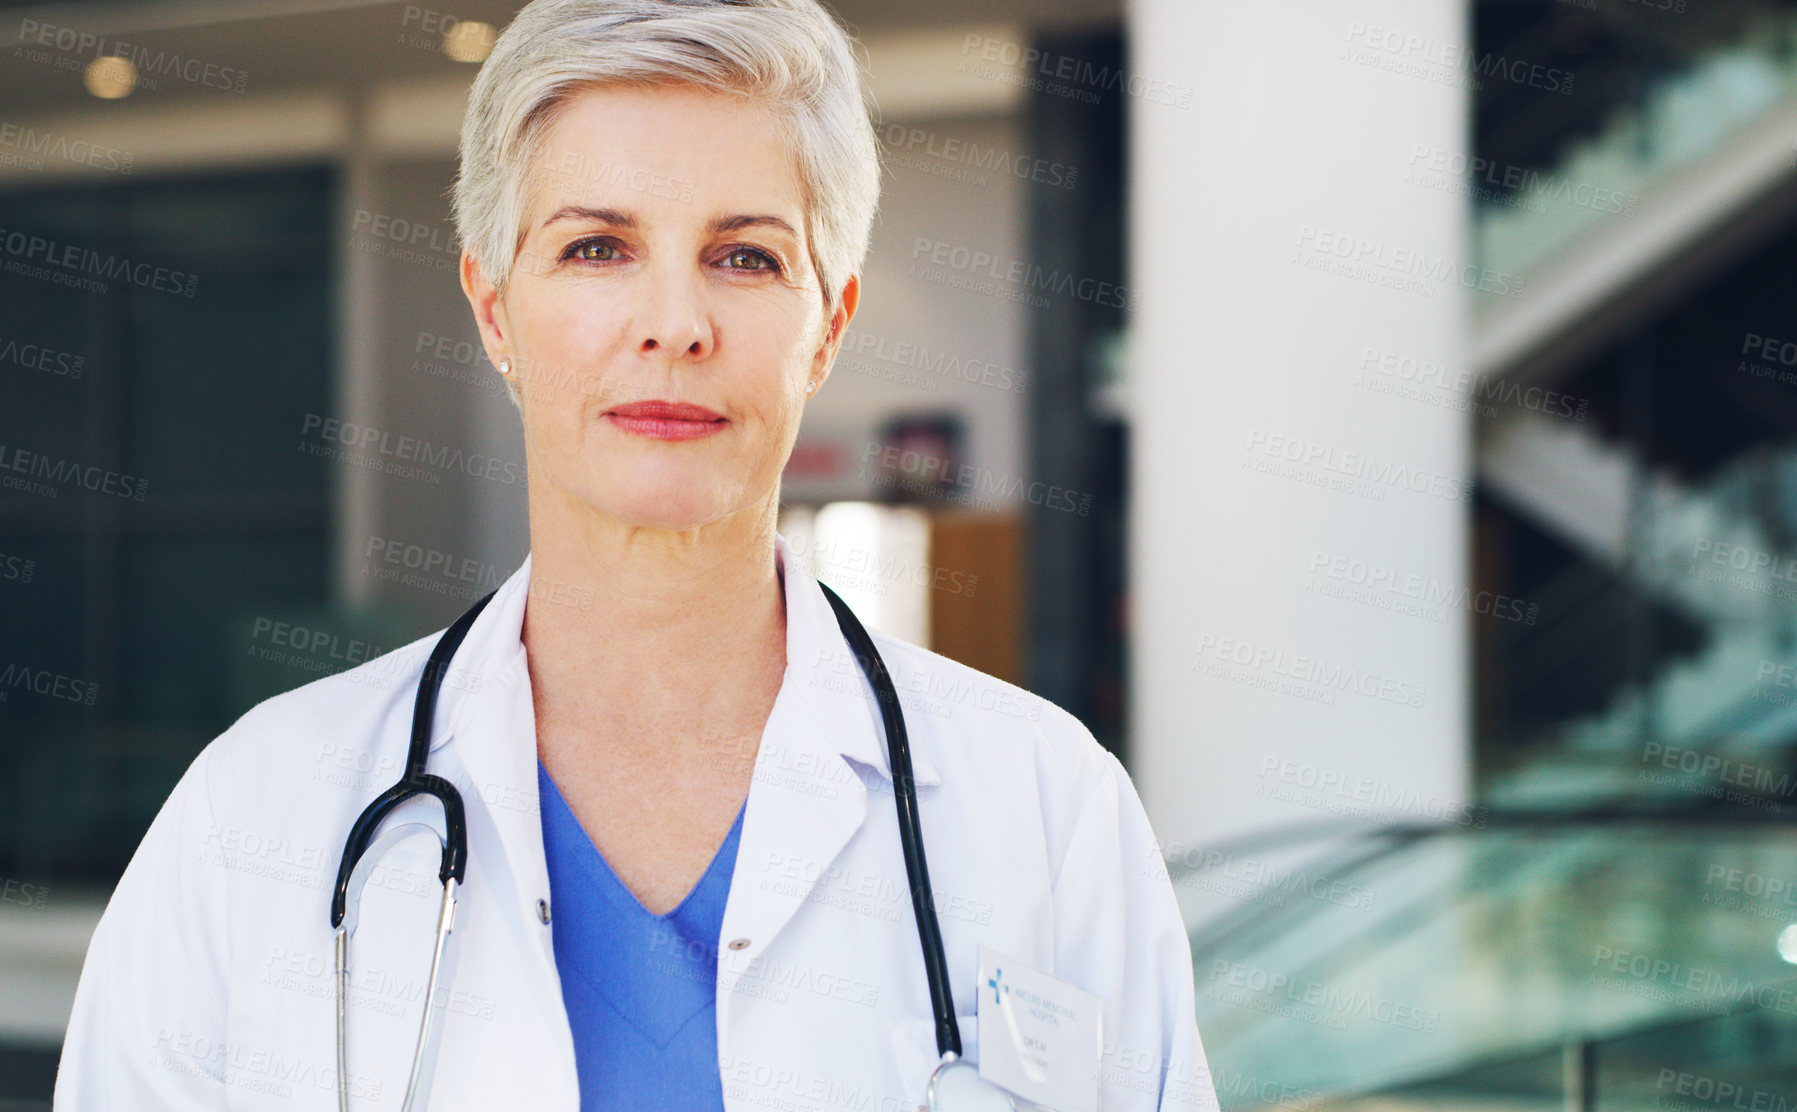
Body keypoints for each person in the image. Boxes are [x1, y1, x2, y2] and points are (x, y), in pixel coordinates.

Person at [54, 1, 1218, 1108]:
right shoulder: (251, 818)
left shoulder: (1050, 816)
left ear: (831, 321)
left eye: (748, 257)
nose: (675, 322)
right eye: (598, 247)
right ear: (495, 308)